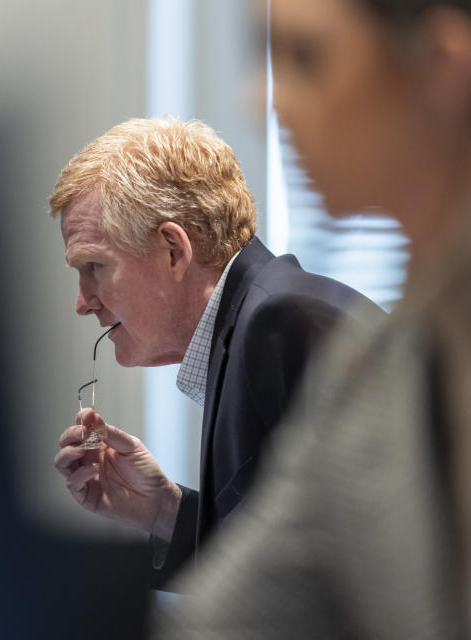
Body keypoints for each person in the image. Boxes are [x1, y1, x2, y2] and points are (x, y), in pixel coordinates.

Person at [154, 0, 471, 637]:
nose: (263, 102)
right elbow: (228, 619)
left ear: (447, 65)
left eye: (308, 59)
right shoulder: (385, 361)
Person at [50, 116, 384, 588]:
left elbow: (360, 584)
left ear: (173, 250)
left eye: (95, 267)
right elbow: (286, 564)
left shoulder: (283, 324)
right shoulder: (254, 325)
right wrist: (162, 508)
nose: (83, 302)